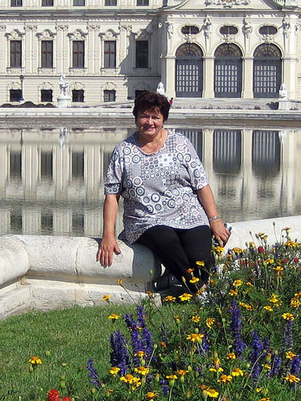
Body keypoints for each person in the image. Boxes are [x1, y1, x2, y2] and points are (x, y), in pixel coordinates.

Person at [98, 90, 230, 297]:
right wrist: (108, 235)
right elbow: (112, 195)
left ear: (163, 119)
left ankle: (178, 282)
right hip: (146, 219)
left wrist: (215, 220)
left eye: (155, 117)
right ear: (136, 118)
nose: (149, 122)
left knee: (200, 256)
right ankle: (203, 293)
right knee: (166, 240)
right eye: (144, 116)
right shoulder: (123, 151)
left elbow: (201, 184)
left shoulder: (180, 144)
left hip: (188, 213)